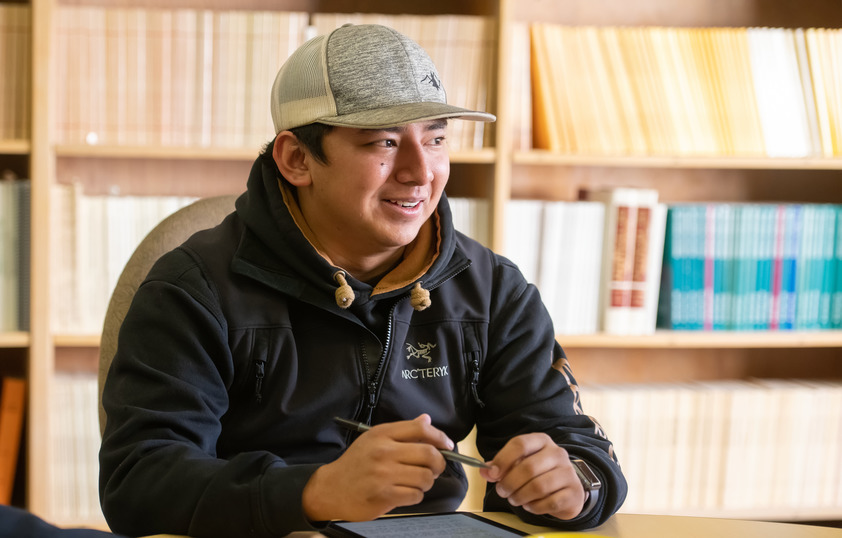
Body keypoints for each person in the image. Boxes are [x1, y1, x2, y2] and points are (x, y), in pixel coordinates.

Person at [99, 23, 627, 537]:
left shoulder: (492, 290)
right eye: (384, 143)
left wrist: (573, 485)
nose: (422, 173)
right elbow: (139, 482)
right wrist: (315, 492)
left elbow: (578, 449)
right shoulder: (192, 288)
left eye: (437, 139)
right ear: (297, 159)